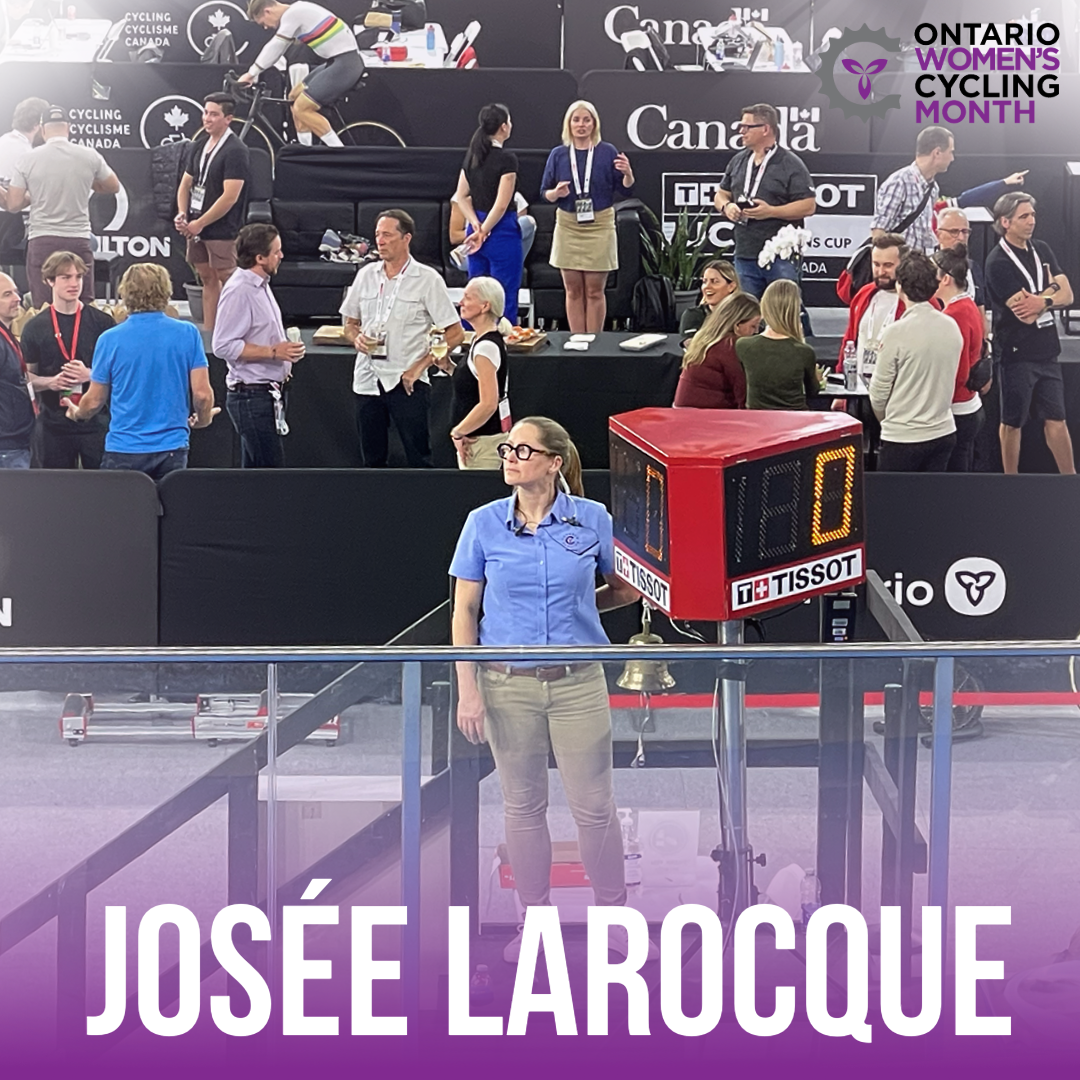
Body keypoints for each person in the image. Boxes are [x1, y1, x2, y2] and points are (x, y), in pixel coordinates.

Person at [449, 416, 653, 965]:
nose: (508, 457)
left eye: (521, 450)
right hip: (504, 687)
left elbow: (624, 589)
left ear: (554, 462)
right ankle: (532, 923)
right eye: (506, 450)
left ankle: (613, 916)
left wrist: (583, 608)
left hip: (578, 684)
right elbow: (464, 610)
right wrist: (468, 689)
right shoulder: (483, 523)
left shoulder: (592, 520)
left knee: (594, 808)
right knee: (522, 807)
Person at [62, 264, 218, 481]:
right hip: (172, 448)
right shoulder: (187, 334)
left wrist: (77, 413)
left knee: (120, 514)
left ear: (125, 292)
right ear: (166, 290)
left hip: (124, 449)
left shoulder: (110, 339)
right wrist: (203, 419)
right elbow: (202, 395)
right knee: (169, 513)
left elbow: (94, 401)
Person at [340, 209, 465, 467]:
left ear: (406, 238)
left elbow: (455, 333)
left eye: (387, 234)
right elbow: (349, 322)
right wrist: (356, 338)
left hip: (407, 379)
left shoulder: (427, 279)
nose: (380, 241)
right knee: (372, 459)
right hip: (367, 378)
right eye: (377, 235)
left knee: (418, 456)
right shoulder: (366, 275)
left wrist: (419, 366)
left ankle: (422, 505)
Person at [985, 192, 1076, 474]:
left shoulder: (1042, 249)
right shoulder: (998, 262)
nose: (1031, 221)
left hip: (1047, 351)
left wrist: (1044, 299)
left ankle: (1070, 480)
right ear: (1005, 222)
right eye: (1024, 216)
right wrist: (1050, 292)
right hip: (1016, 352)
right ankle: (1010, 480)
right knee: (1013, 422)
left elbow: (1069, 294)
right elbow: (1023, 313)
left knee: (1057, 418)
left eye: (1033, 215)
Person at [5, 105, 119, 308]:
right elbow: (113, 186)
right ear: (68, 128)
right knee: (82, 307)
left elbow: (13, 204)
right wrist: (87, 182)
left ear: (42, 129)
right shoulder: (89, 155)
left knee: (44, 310)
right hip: (79, 239)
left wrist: (34, 194)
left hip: (42, 239)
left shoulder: (28, 159)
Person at [213, 223, 305, 468]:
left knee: (255, 476)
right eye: (276, 252)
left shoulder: (261, 285)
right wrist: (274, 352)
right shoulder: (239, 291)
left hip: (266, 395)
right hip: (251, 398)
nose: (281, 256)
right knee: (270, 475)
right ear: (259, 257)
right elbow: (223, 345)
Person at [541, 100, 635, 333]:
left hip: (599, 224)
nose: (581, 125)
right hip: (568, 224)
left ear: (594, 124)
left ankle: (594, 343)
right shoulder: (559, 154)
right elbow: (545, 193)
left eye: (586, 120)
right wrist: (556, 193)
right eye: (576, 120)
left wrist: (628, 174)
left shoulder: (607, 151)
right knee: (573, 290)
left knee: (594, 291)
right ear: (569, 124)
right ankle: (577, 341)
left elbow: (625, 190)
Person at [869, 251, 962, 472]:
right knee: (932, 504)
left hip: (902, 438)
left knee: (895, 504)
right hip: (943, 433)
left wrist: (890, 423)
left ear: (900, 286)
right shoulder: (951, 326)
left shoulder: (895, 333)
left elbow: (879, 394)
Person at [20, 251, 114, 469]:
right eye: (66, 277)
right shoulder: (35, 327)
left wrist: (90, 374)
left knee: (102, 488)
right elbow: (26, 376)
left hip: (96, 420)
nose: (74, 283)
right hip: (54, 423)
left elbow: (119, 373)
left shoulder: (102, 322)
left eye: (78, 277)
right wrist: (50, 382)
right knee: (57, 491)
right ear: (49, 281)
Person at [872, 125, 1028, 255]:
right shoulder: (899, 182)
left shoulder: (932, 187)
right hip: (900, 273)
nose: (952, 158)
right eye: (951, 151)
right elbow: (878, 235)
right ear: (937, 153)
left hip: (919, 271)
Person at [713, 103, 816, 300]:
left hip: (780, 254)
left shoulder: (790, 163)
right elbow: (720, 194)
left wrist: (771, 211)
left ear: (765, 129)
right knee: (746, 312)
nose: (740, 131)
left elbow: (808, 205)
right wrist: (727, 207)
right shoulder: (738, 160)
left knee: (786, 311)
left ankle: (803, 333)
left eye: (746, 127)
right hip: (745, 251)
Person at [174, 93, 252, 334]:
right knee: (206, 277)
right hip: (196, 224)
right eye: (206, 112)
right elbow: (186, 183)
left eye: (214, 114)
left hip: (221, 228)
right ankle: (210, 333)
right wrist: (182, 213)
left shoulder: (236, 150)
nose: (207, 118)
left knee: (227, 279)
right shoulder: (198, 145)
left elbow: (230, 196)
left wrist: (201, 222)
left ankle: (235, 333)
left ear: (228, 119)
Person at [239, 0, 362, 148]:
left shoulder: (294, 13)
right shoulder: (297, 11)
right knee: (293, 97)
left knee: (302, 108)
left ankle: (340, 154)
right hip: (334, 62)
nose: (266, 28)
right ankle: (305, 151)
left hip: (345, 64)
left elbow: (276, 46)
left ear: (268, 11)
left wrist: (251, 73)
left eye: (263, 23)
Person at [453, 103, 524, 327]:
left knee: (474, 291)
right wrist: (485, 230)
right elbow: (502, 204)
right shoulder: (507, 159)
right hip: (500, 230)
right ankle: (502, 345)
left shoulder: (473, 156)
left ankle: (470, 342)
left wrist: (475, 224)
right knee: (503, 292)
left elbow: (461, 196)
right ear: (504, 127)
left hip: (475, 229)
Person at [932, 245, 986, 472]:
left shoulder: (955, 314)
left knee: (954, 474)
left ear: (945, 279)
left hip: (957, 409)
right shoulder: (968, 306)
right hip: (967, 406)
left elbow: (960, 370)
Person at [449, 276, 508, 470]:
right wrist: (448, 367)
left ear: (484, 306)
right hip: (479, 441)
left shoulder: (485, 348)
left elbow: (488, 403)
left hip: (482, 444)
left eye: (468, 297)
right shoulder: (481, 339)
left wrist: (458, 432)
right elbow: (472, 382)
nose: (461, 303)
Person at [736, 279, 820, 410]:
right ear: (795, 311)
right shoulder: (804, 352)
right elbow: (813, 392)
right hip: (796, 423)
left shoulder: (743, 346)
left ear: (765, 306)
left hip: (757, 422)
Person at [837, 233, 908, 381]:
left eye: (888, 265)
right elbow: (849, 339)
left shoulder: (917, 300)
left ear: (904, 263)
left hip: (897, 389)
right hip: (858, 387)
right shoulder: (864, 293)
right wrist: (840, 380)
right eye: (876, 264)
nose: (881, 272)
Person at [673, 292, 761, 409]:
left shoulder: (706, 337)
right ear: (737, 325)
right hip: (702, 417)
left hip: (685, 411)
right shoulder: (728, 347)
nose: (756, 332)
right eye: (753, 326)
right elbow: (744, 396)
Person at [0, 97, 47, 270]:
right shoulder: (27, 154)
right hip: (14, 230)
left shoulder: (3, 141)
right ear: (37, 125)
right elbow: (16, 203)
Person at [0, 270, 34, 468]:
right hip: (6, 447)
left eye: (16, 292)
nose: (17, 298)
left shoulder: (7, 334)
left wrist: (48, 382)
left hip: (14, 443)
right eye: (7, 294)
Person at [451, 193, 535, 270]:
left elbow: (519, 235)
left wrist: (488, 232)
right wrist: (478, 234)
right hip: (473, 250)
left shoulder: (516, 197)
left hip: (504, 245)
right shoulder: (462, 196)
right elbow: (454, 236)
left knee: (527, 222)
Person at [934, 207, 985, 314]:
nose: (961, 237)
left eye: (965, 231)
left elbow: (981, 311)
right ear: (939, 235)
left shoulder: (973, 267)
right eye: (954, 231)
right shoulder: (928, 268)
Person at [678, 259, 739, 341]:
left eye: (714, 281)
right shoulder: (693, 315)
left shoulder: (746, 314)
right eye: (704, 281)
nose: (707, 286)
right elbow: (690, 344)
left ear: (731, 286)